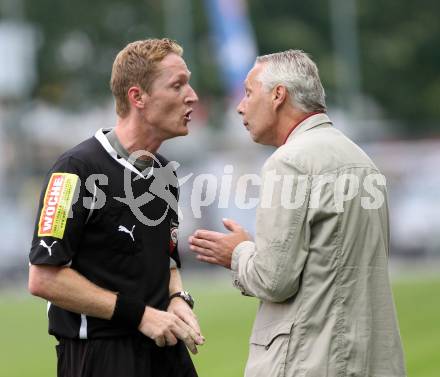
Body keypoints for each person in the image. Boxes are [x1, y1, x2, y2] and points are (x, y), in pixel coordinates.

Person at [189, 50, 406, 376]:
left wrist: (237, 253)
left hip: (310, 360)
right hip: (372, 359)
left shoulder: (289, 161)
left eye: (248, 92)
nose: (240, 106)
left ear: (278, 95)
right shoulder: (362, 159)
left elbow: (274, 280)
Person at [28, 38, 204, 377]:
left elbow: (166, 263)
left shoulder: (165, 174)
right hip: (100, 357)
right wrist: (139, 315)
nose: (192, 95)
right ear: (137, 97)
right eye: (177, 85)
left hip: (164, 349)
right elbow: (44, 278)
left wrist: (179, 297)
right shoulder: (73, 170)